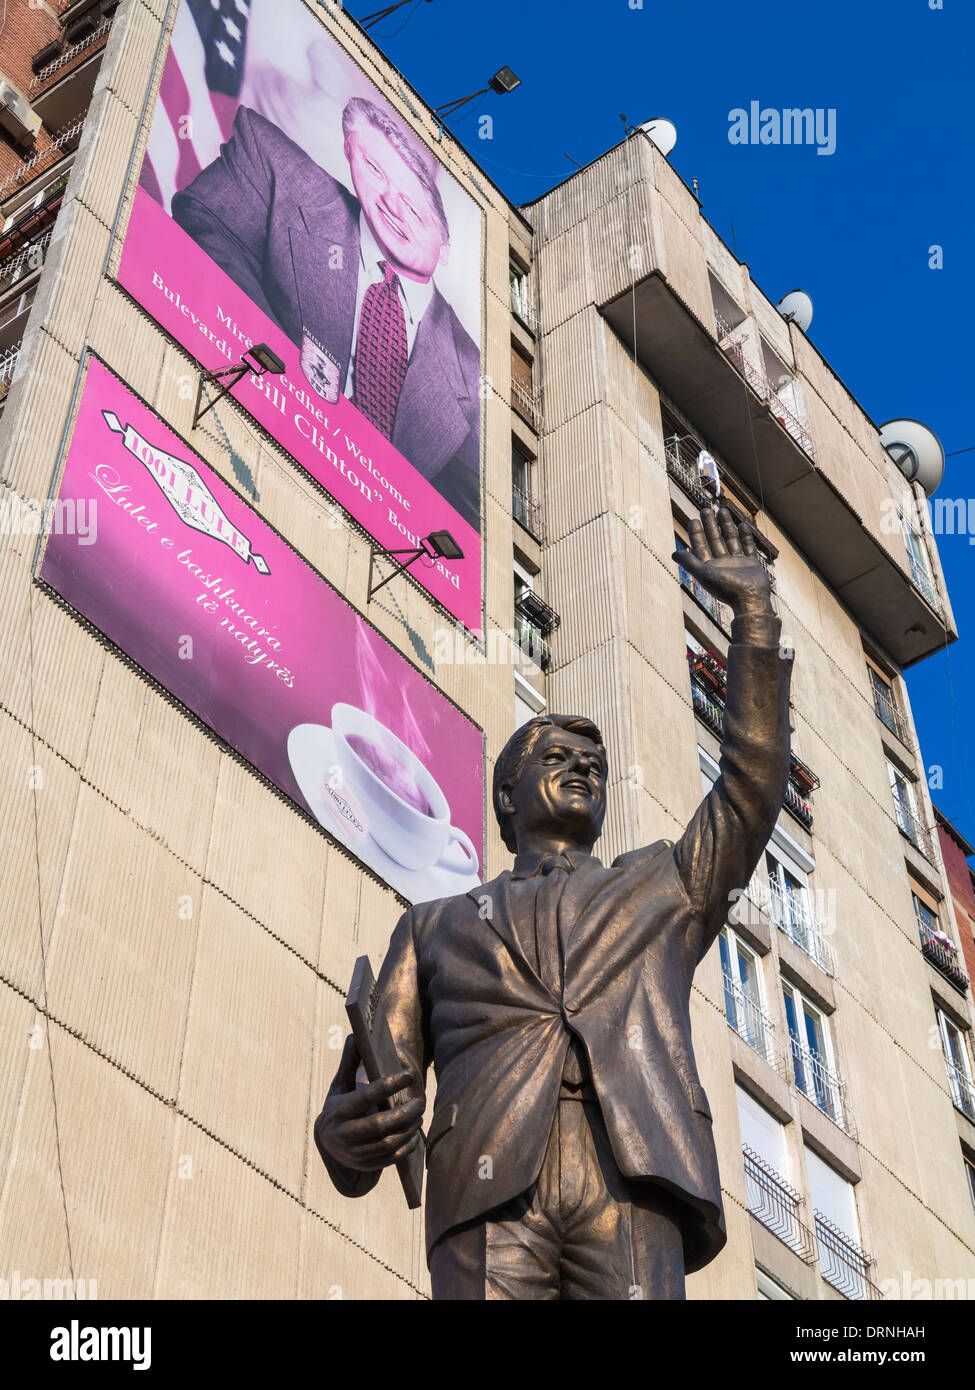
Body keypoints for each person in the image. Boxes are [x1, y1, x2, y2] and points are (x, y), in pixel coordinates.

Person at [315, 506, 793, 1299]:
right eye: (558, 758)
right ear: (506, 798)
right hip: (486, 1185)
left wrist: (750, 619)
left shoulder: (662, 887)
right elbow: (374, 1087)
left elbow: (750, 788)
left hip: (634, 1177)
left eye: (594, 766)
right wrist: (343, 1135)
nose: (581, 771)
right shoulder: (432, 927)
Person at [172, 98, 481, 529]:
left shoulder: (475, 375)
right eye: (375, 170)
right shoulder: (276, 167)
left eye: (415, 208)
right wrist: (293, 394)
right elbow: (204, 222)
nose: (392, 205)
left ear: (445, 249)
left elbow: (471, 524)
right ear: (349, 153)